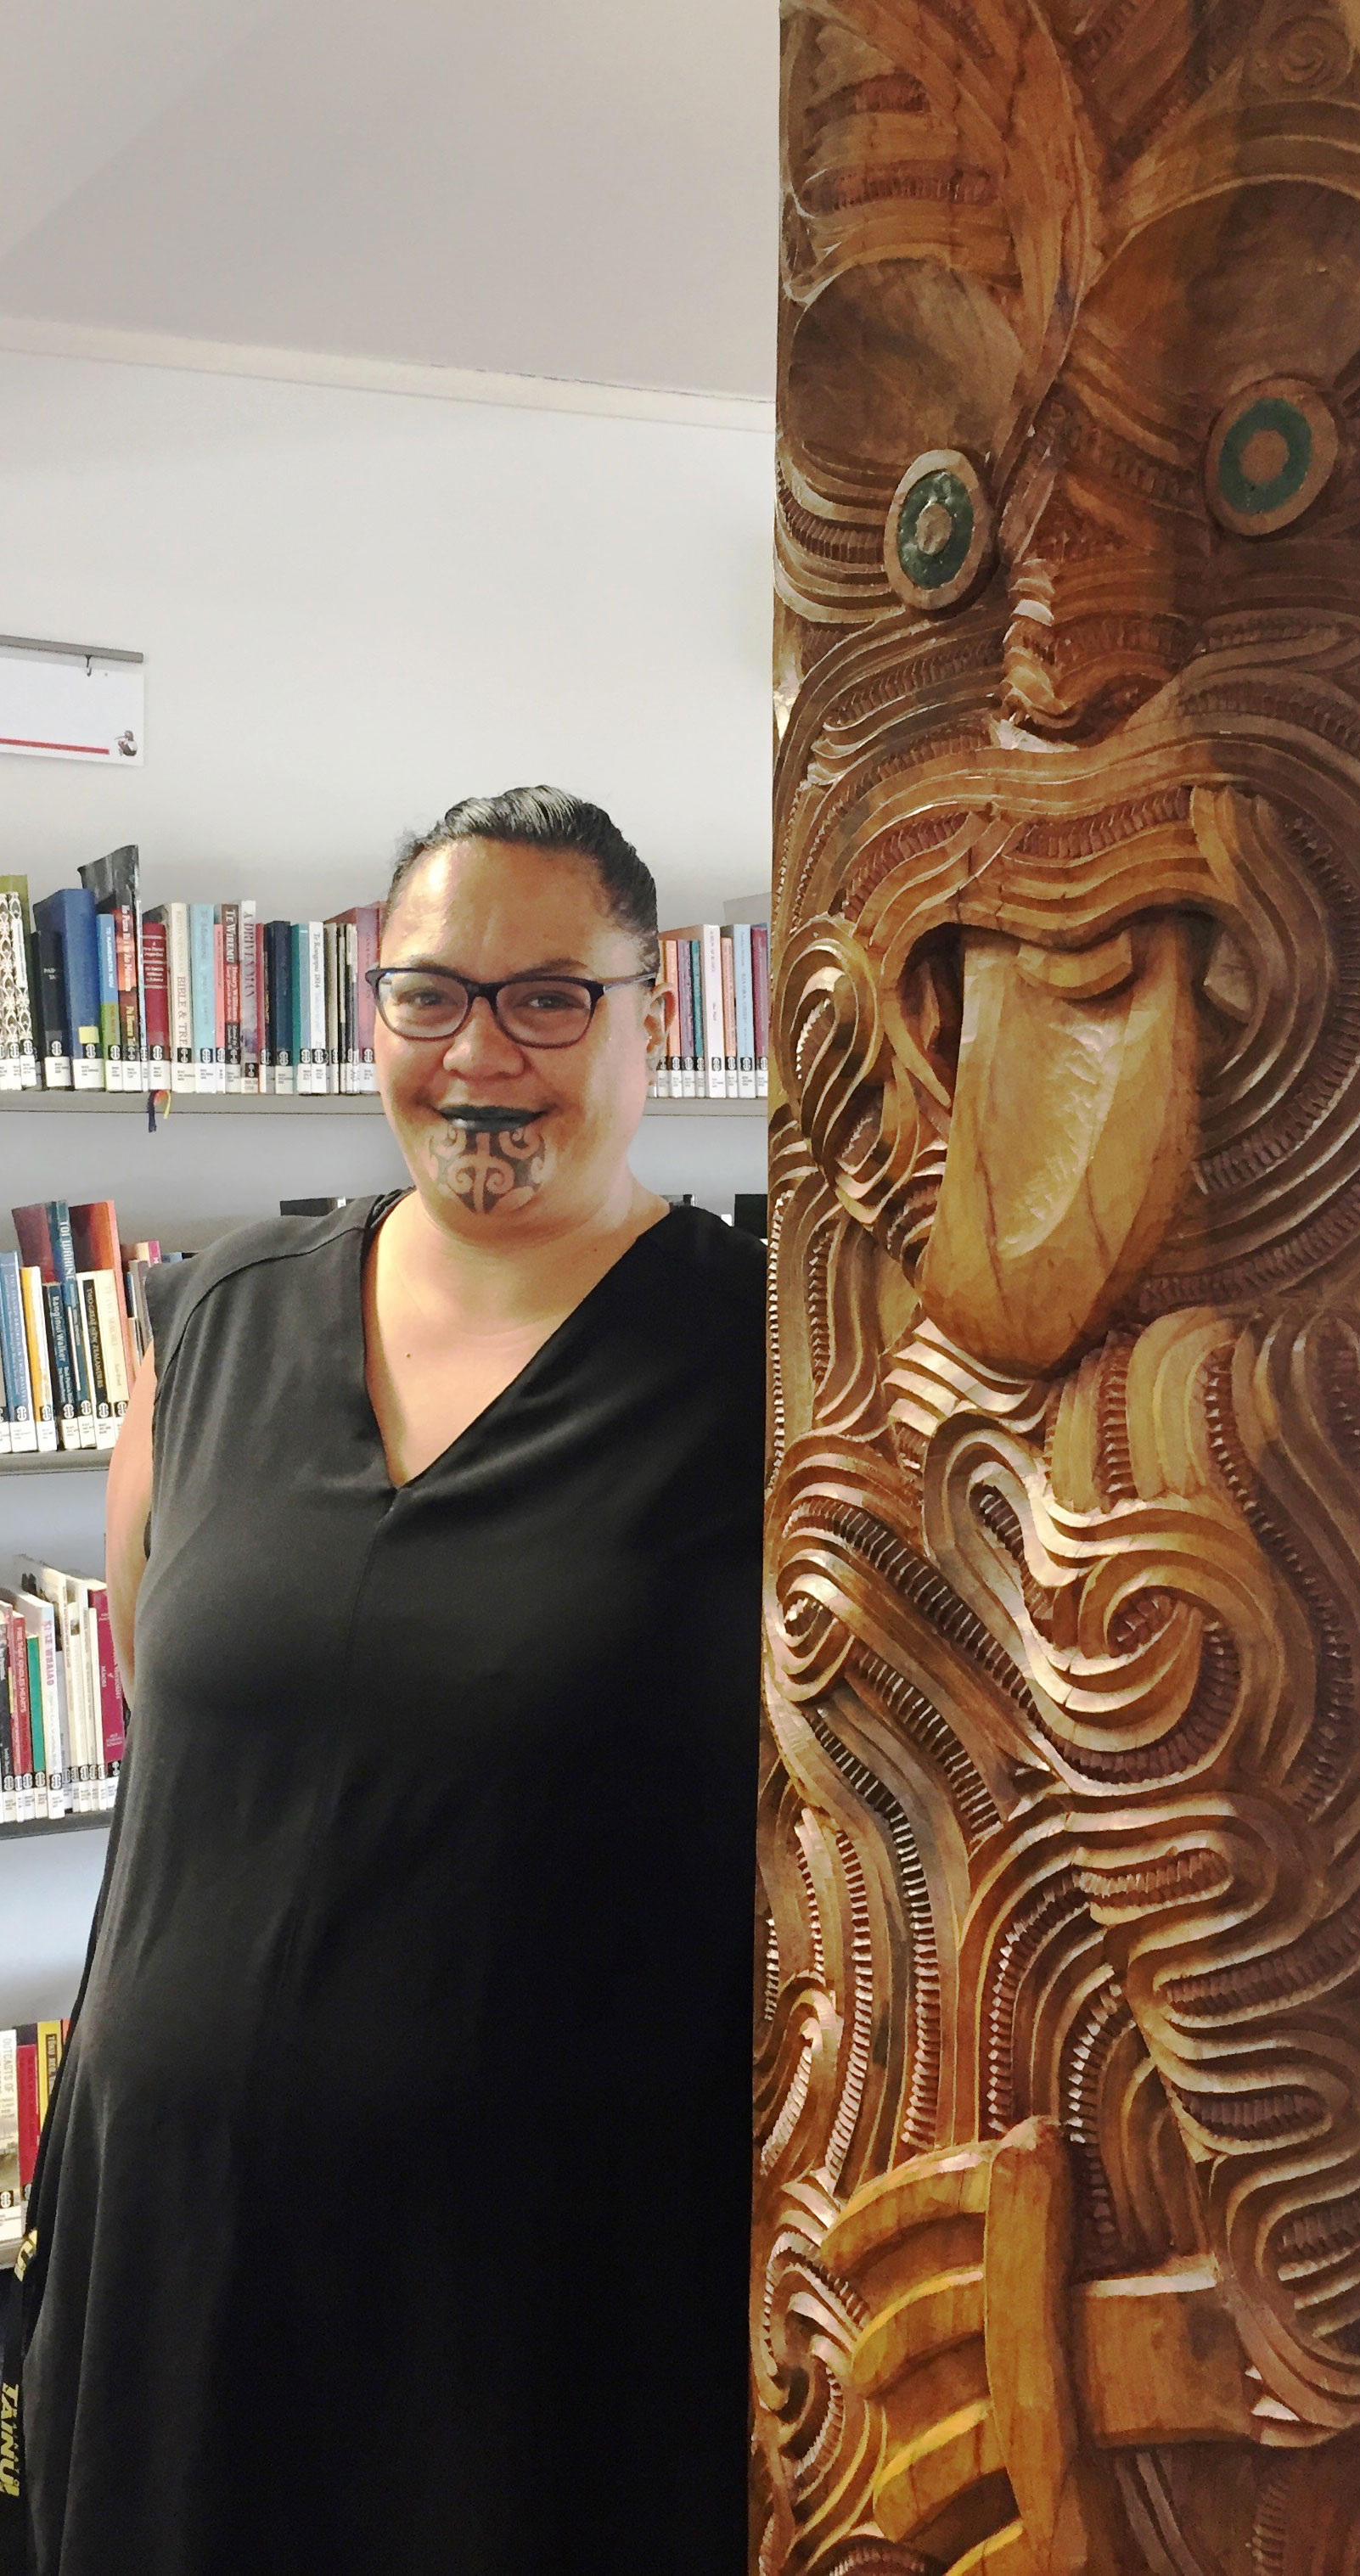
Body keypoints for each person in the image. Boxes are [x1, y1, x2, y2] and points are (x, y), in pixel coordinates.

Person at [17, 789, 764, 2576]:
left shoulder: (773, 1356)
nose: (478, 1054)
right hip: (171, 2263)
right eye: (427, 995)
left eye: (548, 997)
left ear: (652, 1013)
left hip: (526, 2318)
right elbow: (176, 1742)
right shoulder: (215, 1320)